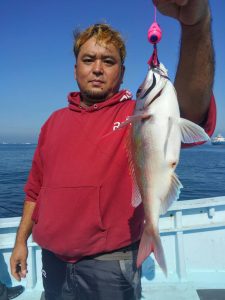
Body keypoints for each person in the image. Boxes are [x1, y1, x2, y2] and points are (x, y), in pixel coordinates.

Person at [10, 0, 216, 299]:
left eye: (108, 61)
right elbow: (34, 191)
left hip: (109, 265)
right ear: (75, 67)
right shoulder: (52, 123)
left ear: (121, 72)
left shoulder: (136, 116)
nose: (97, 68)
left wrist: (196, 25)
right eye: (88, 59)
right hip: (51, 261)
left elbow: (191, 110)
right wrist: (20, 242)